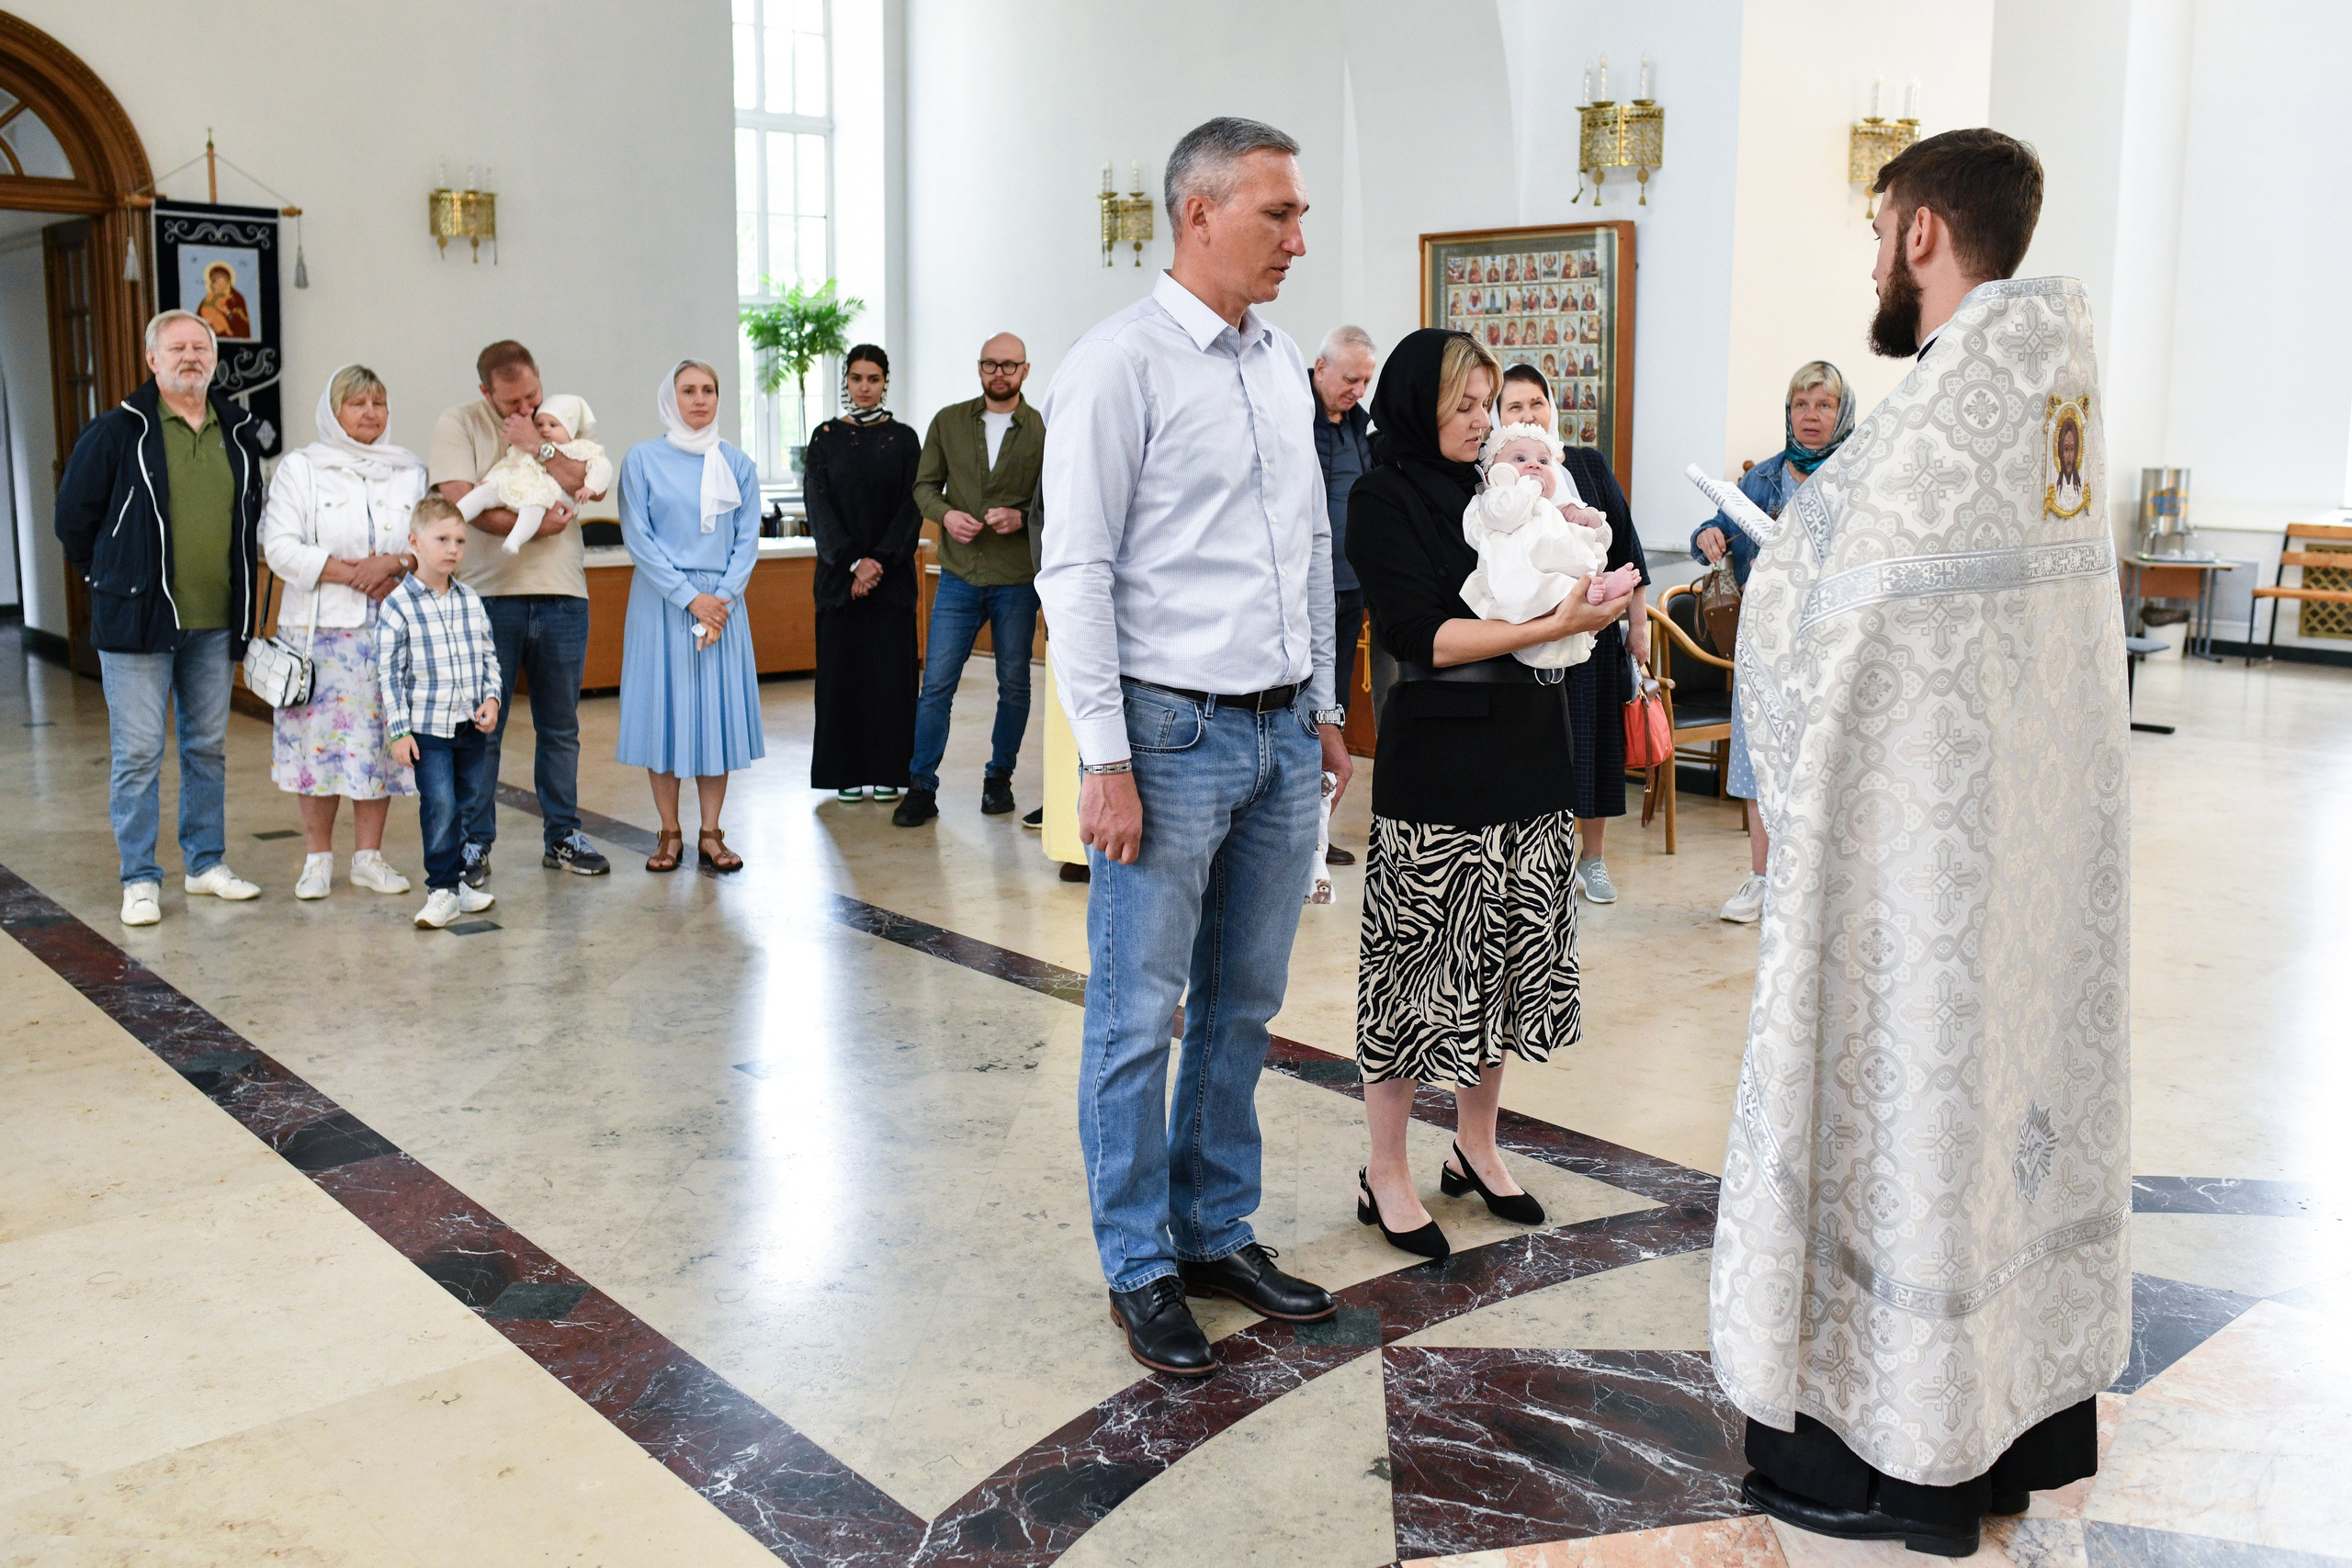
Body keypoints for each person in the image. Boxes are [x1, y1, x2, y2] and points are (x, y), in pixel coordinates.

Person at [1712, 129, 2128, 1559]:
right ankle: (2011, 1430)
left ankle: (1893, 1455)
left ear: (1926, 232)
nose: (1874, 258)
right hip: (2025, 865)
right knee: (2001, 1123)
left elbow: (1829, 625)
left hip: (1917, 881)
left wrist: (1773, 580)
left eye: (1881, 226)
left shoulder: (1942, 422)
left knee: (1916, 1126)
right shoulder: (2045, 395)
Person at [1037, 117, 1350, 1378]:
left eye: (1299, 213)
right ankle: (1139, 1259)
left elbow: (1312, 547)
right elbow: (1078, 568)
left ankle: (1214, 1224)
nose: (1297, 237)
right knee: (1135, 1010)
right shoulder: (1117, 365)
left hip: (1278, 728)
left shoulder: (1279, 363)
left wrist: (1324, 702)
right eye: (1277, 213)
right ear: (1199, 212)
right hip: (1170, 734)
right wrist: (1102, 756)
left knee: (1244, 1003)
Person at [1345, 330, 1634, 1260]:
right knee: (1411, 972)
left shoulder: (1498, 487)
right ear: (1413, 405)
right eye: (1462, 405)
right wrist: (1555, 621)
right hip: (1439, 760)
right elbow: (1419, 636)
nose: (1483, 422)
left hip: (1529, 747)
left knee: (1504, 963)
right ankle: (1384, 1168)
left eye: (1488, 404)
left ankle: (1474, 1146)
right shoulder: (1380, 495)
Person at [54, 309, 267, 926]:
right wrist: (106, 579)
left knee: (207, 748)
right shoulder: (119, 431)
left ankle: (205, 864)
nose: (190, 357)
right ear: (152, 360)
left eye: (201, 347)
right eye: (177, 347)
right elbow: (74, 519)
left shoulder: (237, 429)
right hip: (137, 624)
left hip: (213, 620)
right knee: (140, 752)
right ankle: (140, 878)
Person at [430, 340, 611, 883]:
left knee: (560, 726)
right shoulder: (458, 423)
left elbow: (584, 482)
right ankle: (474, 843)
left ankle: (562, 836)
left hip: (562, 594)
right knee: (483, 726)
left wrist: (538, 444)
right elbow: (461, 499)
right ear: (486, 392)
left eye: (531, 395)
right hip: (487, 597)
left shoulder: (559, 417)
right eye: (511, 403)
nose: (525, 409)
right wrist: (525, 524)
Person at [1690, 361, 1855, 924]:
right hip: (1763, 646)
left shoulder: (1858, 476)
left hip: (1831, 644)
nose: (1811, 417)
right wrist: (1707, 536)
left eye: (1824, 405)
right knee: (1757, 761)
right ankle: (1763, 880)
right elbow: (1709, 532)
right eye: (1800, 406)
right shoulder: (1762, 479)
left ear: (1842, 413)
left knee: (1824, 761)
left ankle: (1815, 887)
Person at [260, 365, 431, 900]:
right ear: (333, 412)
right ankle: (316, 860)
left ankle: (369, 858)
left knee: (381, 744)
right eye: (357, 404)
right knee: (320, 749)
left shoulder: (408, 469)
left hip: (389, 630)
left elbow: (426, 540)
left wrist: (397, 562)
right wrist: (355, 573)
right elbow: (278, 546)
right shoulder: (302, 469)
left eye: (378, 404)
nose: (370, 414)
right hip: (319, 632)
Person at [1497, 364, 1648, 903]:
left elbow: (1628, 548)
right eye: (1514, 407)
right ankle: (1541, 863)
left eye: (1536, 403)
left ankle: (1594, 859)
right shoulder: (1500, 477)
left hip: (1598, 630)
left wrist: (1639, 628)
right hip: (1532, 635)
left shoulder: (1585, 464)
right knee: (1541, 749)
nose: (1528, 415)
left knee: (1593, 744)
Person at [616, 360, 765, 872]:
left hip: (723, 607)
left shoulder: (738, 464)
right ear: (669, 398)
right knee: (666, 718)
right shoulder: (641, 460)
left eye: (708, 390)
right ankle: (669, 833)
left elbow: (747, 540)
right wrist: (690, 598)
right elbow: (639, 538)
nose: (699, 399)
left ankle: (711, 833)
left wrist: (718, 600)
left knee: (714, 723)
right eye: (688, 391)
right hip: (662, 603)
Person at [896, 333, 1046, 827]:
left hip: (1017, 578)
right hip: (959, 575)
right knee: (936, 684)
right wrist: (945, 515)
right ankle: (921, 786)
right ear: (979, 369)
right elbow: (923, 486)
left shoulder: (1043, 429)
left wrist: (1022, 518)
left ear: (1025, 371)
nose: (998, 373)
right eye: (989, 365)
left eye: (1008, 366)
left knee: (1015, 685)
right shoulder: (948, 421)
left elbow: (1056, 497)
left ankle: (998, 779)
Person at [376, 496, 502, 931]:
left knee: (466, 803)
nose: (452, 549)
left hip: (470, 726)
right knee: (441, 805)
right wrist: (398, 732)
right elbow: (389, 675)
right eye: (442, 539)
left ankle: (461, 885)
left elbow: (489, 657)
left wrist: (492, 699)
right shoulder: (398, 606)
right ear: (414, 541)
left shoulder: (470, 600)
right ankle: (442, 890)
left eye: (460, 541)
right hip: (428, 730)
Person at [804, 344, 923, 800]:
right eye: (857, 378)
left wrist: (877, 562)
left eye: (874, 379)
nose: (865, 387)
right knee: (842, 678)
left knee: (891, 680)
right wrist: (853, 562)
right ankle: (846, 774)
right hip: (839, 583)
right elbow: (818, 505)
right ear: (846, 382)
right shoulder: (825, 437)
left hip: (890, 582)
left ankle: (891, 772)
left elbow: (912, 507)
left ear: (886, 382)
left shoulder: (905, 439)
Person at [1460, 421, 1640, 668]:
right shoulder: (1494, 498)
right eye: (1520, 459)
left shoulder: (1553, 508)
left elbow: (1597, 542)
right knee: (1542, 594)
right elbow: (1507, 514)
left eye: (1544, 462)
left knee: (1592, 574)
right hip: (1521, 576)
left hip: (1563, 577)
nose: (1534, 465)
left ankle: (1597, 594)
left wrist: (1591, 522)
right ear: (1494, 473)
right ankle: (1579, 600)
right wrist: (1530, 485)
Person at [1309, 322, 1379, 864]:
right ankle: (1292, 831)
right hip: (1303, 590)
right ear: (1321, 368)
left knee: (1336, 701)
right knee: (1304, 707)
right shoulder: (1292, 416)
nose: (1358, 389)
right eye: (1350, 378)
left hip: (1350, 585)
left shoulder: (1361, 425)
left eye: (1365, 380)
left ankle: (1317, 830)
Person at [456, 394, 614, 557]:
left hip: (544, 492)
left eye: (553, 425)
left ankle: (515, 539)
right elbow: (508, 464)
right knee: (486, 491)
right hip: (515, 482)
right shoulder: (524, 445)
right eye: (539, 424)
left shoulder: (579, 448)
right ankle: (455, 518)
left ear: (570, 429)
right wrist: (490, 480)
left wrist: (591, 487)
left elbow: (602, 467)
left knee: (534, 506)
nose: (545, 429)